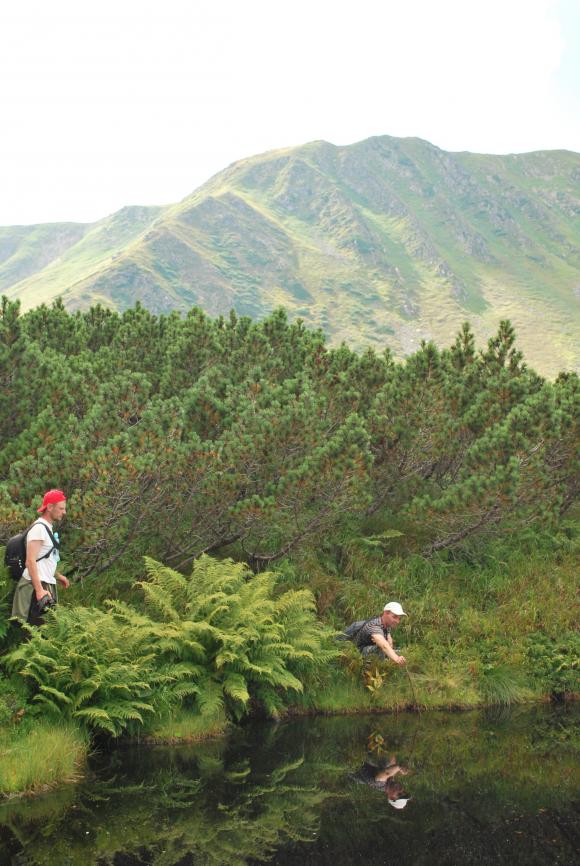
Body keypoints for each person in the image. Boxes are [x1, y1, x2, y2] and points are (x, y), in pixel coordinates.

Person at [11, 489, 70, 626]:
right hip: (36, 587)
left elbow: (43, 560)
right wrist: (39, 591)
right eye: (61, 508)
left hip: (45, 585)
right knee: (34, 632)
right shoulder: (39, 529)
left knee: (45, 631)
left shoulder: (47, 528)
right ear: (49, 507)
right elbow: (30, 561)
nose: (64, 512)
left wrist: (58, 576)